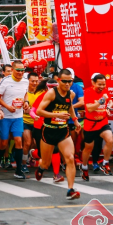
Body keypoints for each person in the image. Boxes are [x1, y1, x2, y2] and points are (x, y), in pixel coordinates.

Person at [35, 69, 81, 200]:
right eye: (65, 81)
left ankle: (70, 190)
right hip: (49, 131)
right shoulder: (51, 93)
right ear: (59, 80)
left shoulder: (71, 93)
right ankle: (41, 167)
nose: (67, 84)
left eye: (70, 81)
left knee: (70, 158)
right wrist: (57, 115)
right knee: (46, 163)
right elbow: (39, 111)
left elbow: (70, 107)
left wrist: (75, 120)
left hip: (63, 131)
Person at [0, 60, 29, 179]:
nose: (20, 72)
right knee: (4, 143)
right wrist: (7, 107)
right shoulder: (5, 81)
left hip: (18, 116)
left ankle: (18, 170)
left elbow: (25, 93)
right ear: (13, 70)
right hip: (5, 116)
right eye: (18, 70)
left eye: (22, 70)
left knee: (18, 141)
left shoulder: (25, 81)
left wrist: (26, 102)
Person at [80, 74, 113, 180]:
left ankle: (105, 162)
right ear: (93, 83)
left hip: (102, 122)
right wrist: (101, 101)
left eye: (104, 84)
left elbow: (111, 102)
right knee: (88, 148)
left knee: (110, 140)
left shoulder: (105, 91)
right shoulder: (88, 92)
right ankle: (84, 167)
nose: (102, 86)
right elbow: (89, 108)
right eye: (99, 84)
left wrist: (108, 107)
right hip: (90, 124)